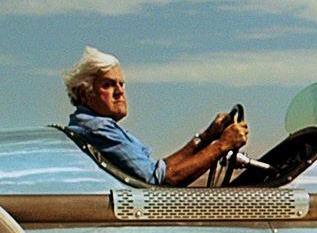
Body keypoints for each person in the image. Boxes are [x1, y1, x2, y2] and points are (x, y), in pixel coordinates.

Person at [62, 47, 249, 186]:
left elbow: (158, 170)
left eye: (121, 84)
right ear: (85, 93)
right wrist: (222, 146)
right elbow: (160, 181)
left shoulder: (93, 126)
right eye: (108, 85)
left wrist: (207, 136)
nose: (119, 92)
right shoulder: (98, 129)